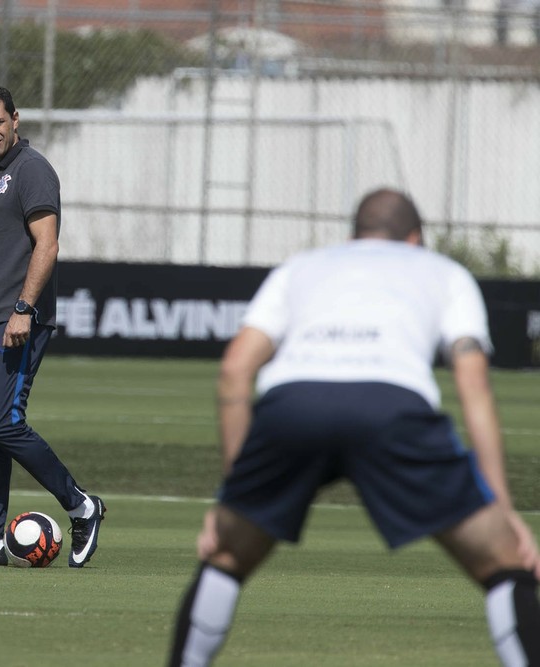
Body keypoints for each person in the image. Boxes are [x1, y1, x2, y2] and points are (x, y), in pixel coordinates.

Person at [168, 189, 540, 666]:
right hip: (393, 408)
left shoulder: (301, 267)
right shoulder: (445, 273)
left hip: (293, 406)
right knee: (505, 563)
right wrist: (502, 510)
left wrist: (235, 495)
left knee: (225, 560)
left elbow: (236, 370)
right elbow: (474, 386)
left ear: (353, 236)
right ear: (416, 239)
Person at [0, 85, 105, 568]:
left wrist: (24, 310)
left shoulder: (31, 170)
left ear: (15, 120)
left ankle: (82, 506)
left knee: (4, 425)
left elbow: (46, 245)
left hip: (17, 321)